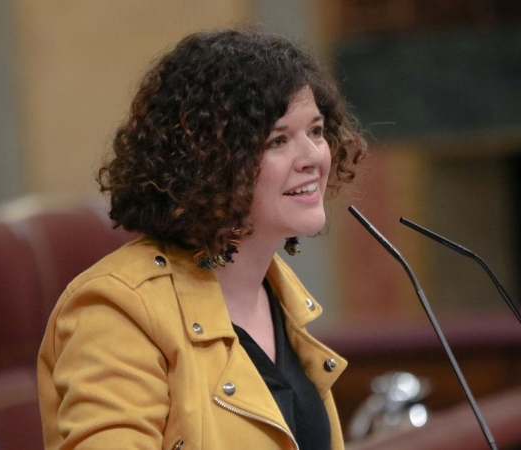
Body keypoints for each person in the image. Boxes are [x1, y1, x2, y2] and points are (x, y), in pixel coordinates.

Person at [38, 27, 367, 450]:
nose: (312, 158)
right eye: (278, 140)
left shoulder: (280, 298)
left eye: (317, 131)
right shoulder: (119, 309)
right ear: (211, 162)